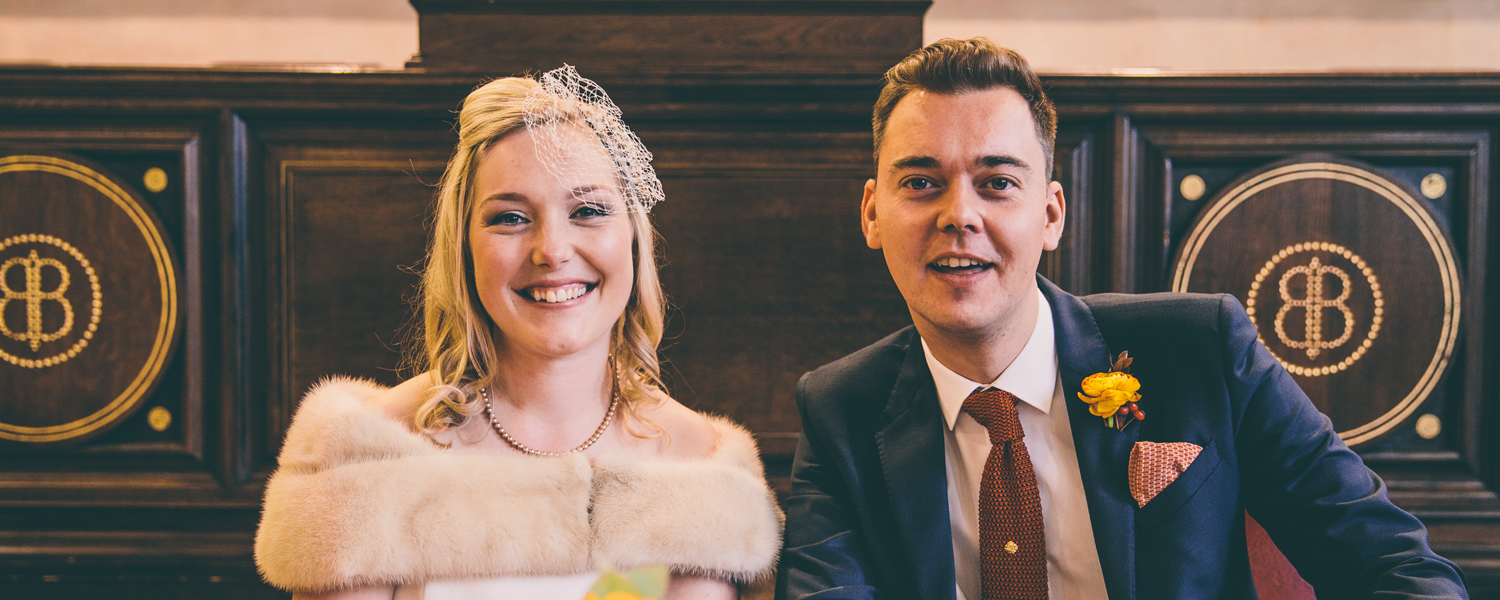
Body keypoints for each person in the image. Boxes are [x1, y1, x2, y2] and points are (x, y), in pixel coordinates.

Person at [775, 38, 1468, 600]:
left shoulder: (1202, 350)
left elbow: (1403, 574)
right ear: (872, 213)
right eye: (921, 183)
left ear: (1050, 215)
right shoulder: (841, 411)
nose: (960, 215)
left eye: (997, 183)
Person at [254, 66, 782, 600]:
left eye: (589, 210)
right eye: (509, 218)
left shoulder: (704, 469)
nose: (551, 250)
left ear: (634, 241)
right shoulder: (366, 457)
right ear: (463, 247)